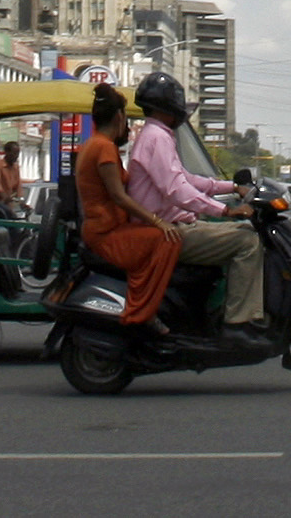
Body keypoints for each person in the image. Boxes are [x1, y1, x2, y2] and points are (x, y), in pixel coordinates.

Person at [123, 72, 266, 343]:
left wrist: (232, 188)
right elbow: (176, 190)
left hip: (173, 225)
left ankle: (216, 309)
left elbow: (185, 179)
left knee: (239, 229)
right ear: (167, 106)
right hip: (169, 231)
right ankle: (238, 322)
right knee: (248, 240)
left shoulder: (156, 135)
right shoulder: (157, 137)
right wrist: (225, 210)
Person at [72, 82, 177, 334]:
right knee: (168, 240)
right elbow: (119, 197)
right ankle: (141, 311)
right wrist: (157, 221)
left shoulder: (92, 144)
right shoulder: (105, 148)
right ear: (119, 116)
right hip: (106, 234)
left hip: (105, 229)